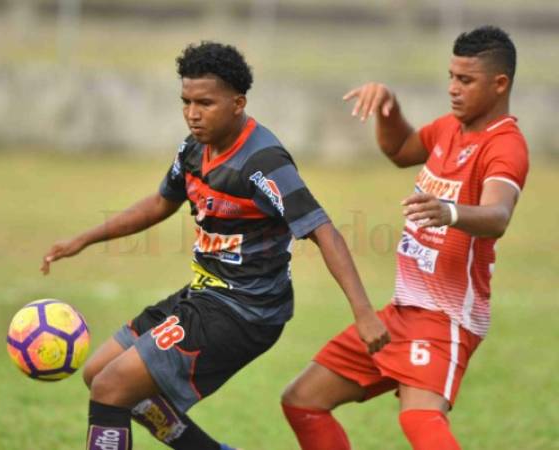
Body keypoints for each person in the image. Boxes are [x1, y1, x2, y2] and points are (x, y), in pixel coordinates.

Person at [40, 41, 389, 450]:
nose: (192, 113)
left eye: (205, 102)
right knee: (97, 372)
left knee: (111, 388)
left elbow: (322, 230)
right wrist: (84, 238)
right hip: (206, 296)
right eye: (186, 101)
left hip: (246, 311)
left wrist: (364, 313)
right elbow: (159, 203)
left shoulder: (263, 163)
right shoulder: (193, 149)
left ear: (237, 103)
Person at [281, 25, 529, 450]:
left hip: (445, 318)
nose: (453, 88)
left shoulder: (505, 146)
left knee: (419, 419)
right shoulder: (451, 128)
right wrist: (389, 109)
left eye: (465, 80)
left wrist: (449, 211)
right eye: (451, 76)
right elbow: (401, 151)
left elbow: (498, 215)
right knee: (303, 400)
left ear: (499, 83)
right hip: (402, 311)